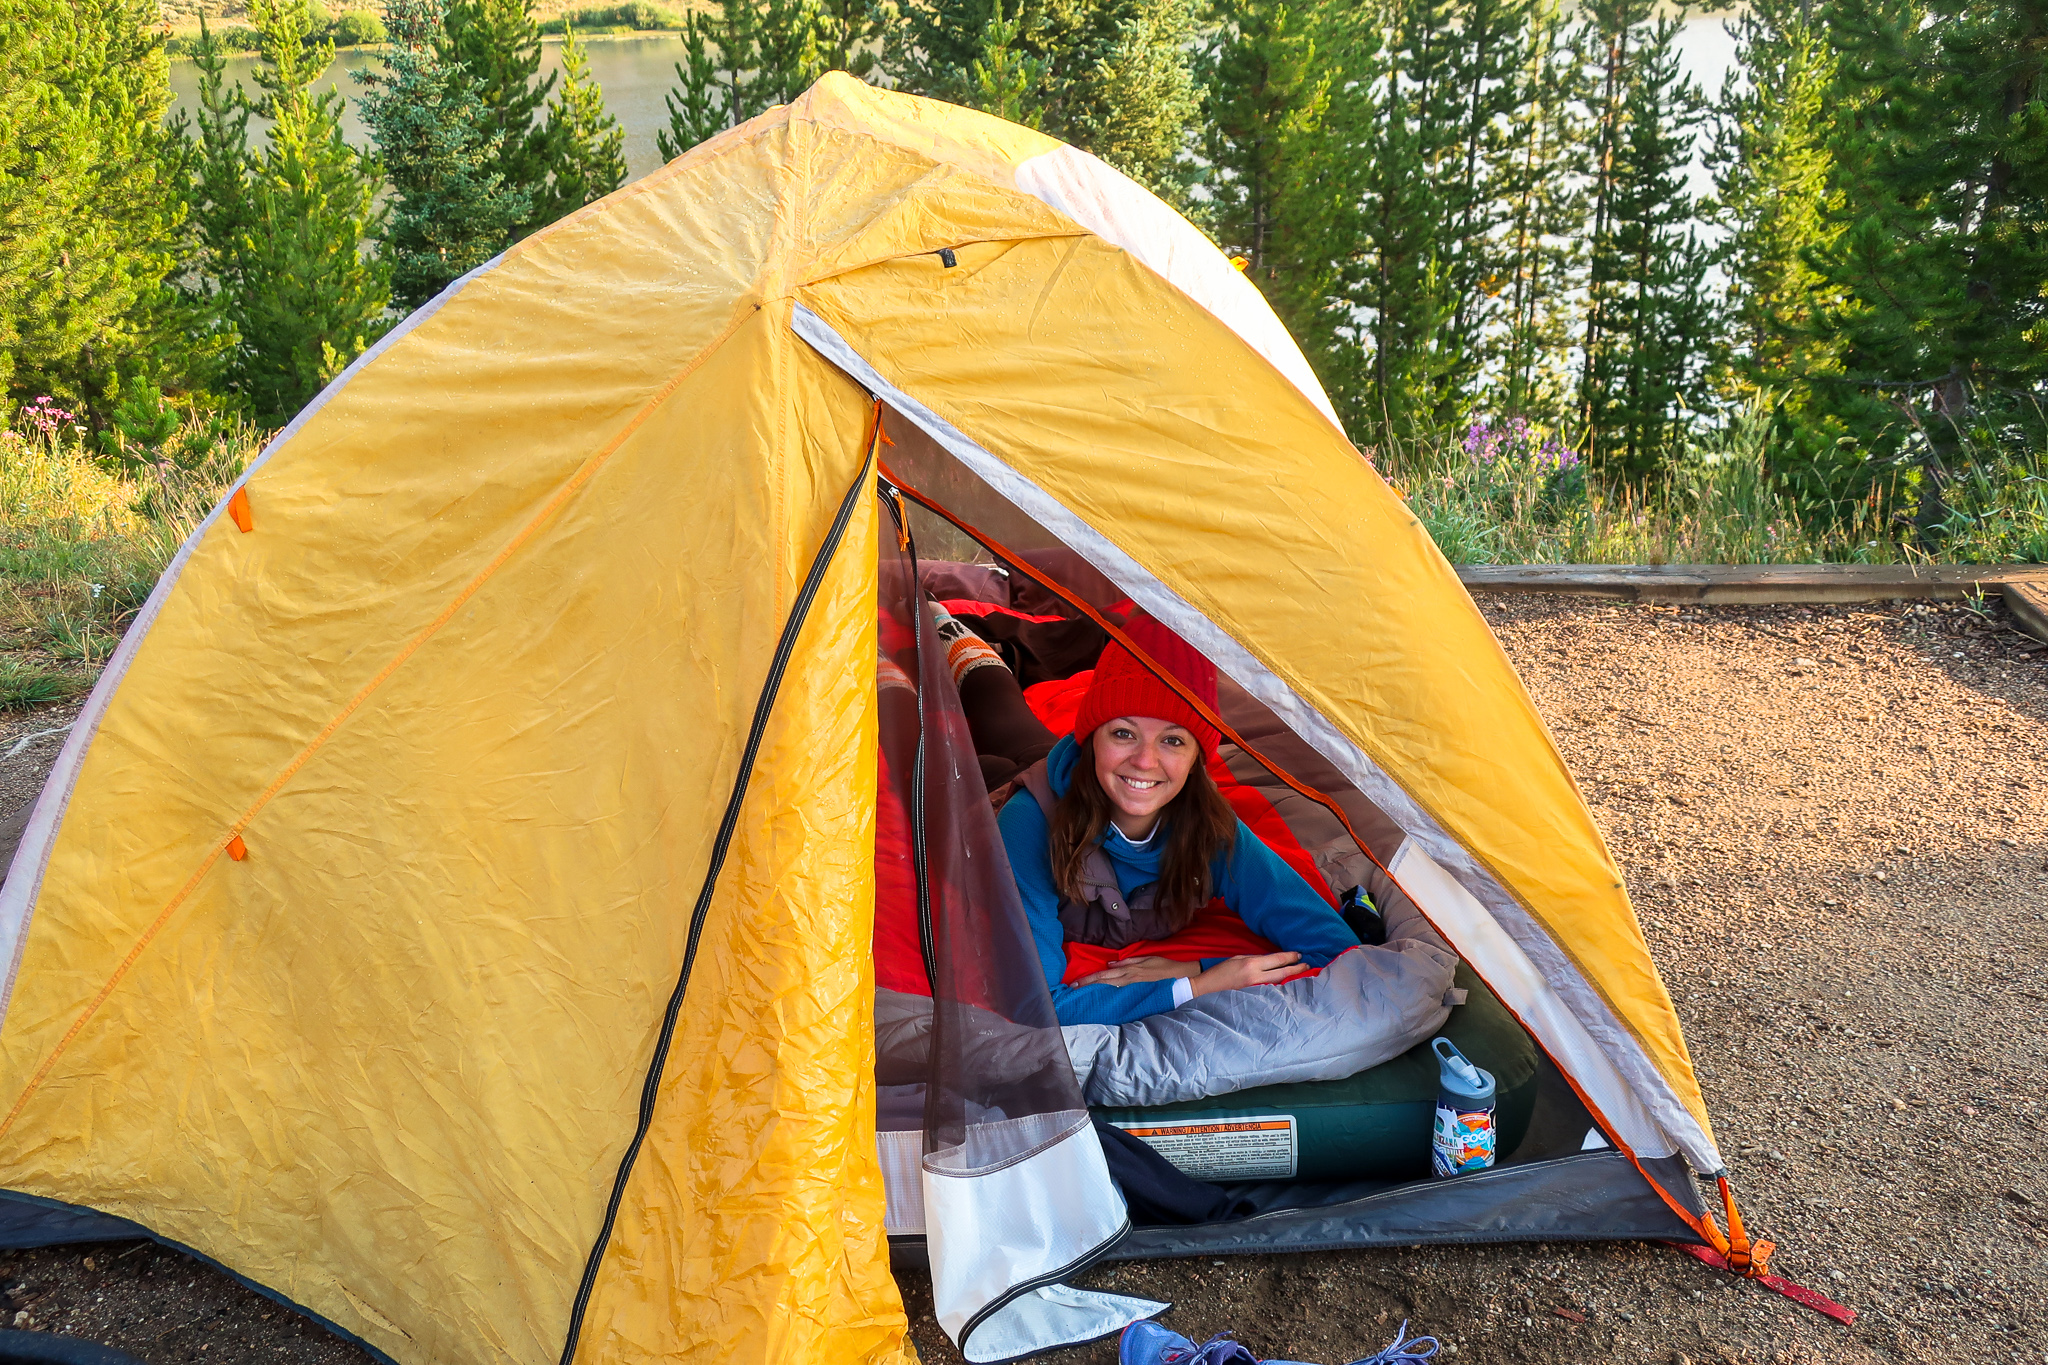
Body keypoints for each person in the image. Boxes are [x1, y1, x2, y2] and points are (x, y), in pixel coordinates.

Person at [997, 617, 1363, 1026]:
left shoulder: (1211, 831)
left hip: (1098, 777)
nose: (1145, 760)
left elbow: (1334, 946)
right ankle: (967, 648)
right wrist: (1196, 988)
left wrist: (1195, 967)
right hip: (1023, 784)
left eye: (1172, 740)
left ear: (1195, 762)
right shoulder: (1027, 824)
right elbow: (1034, 1007)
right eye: (1123, 733)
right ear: (1092, 739)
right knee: (996, 715)